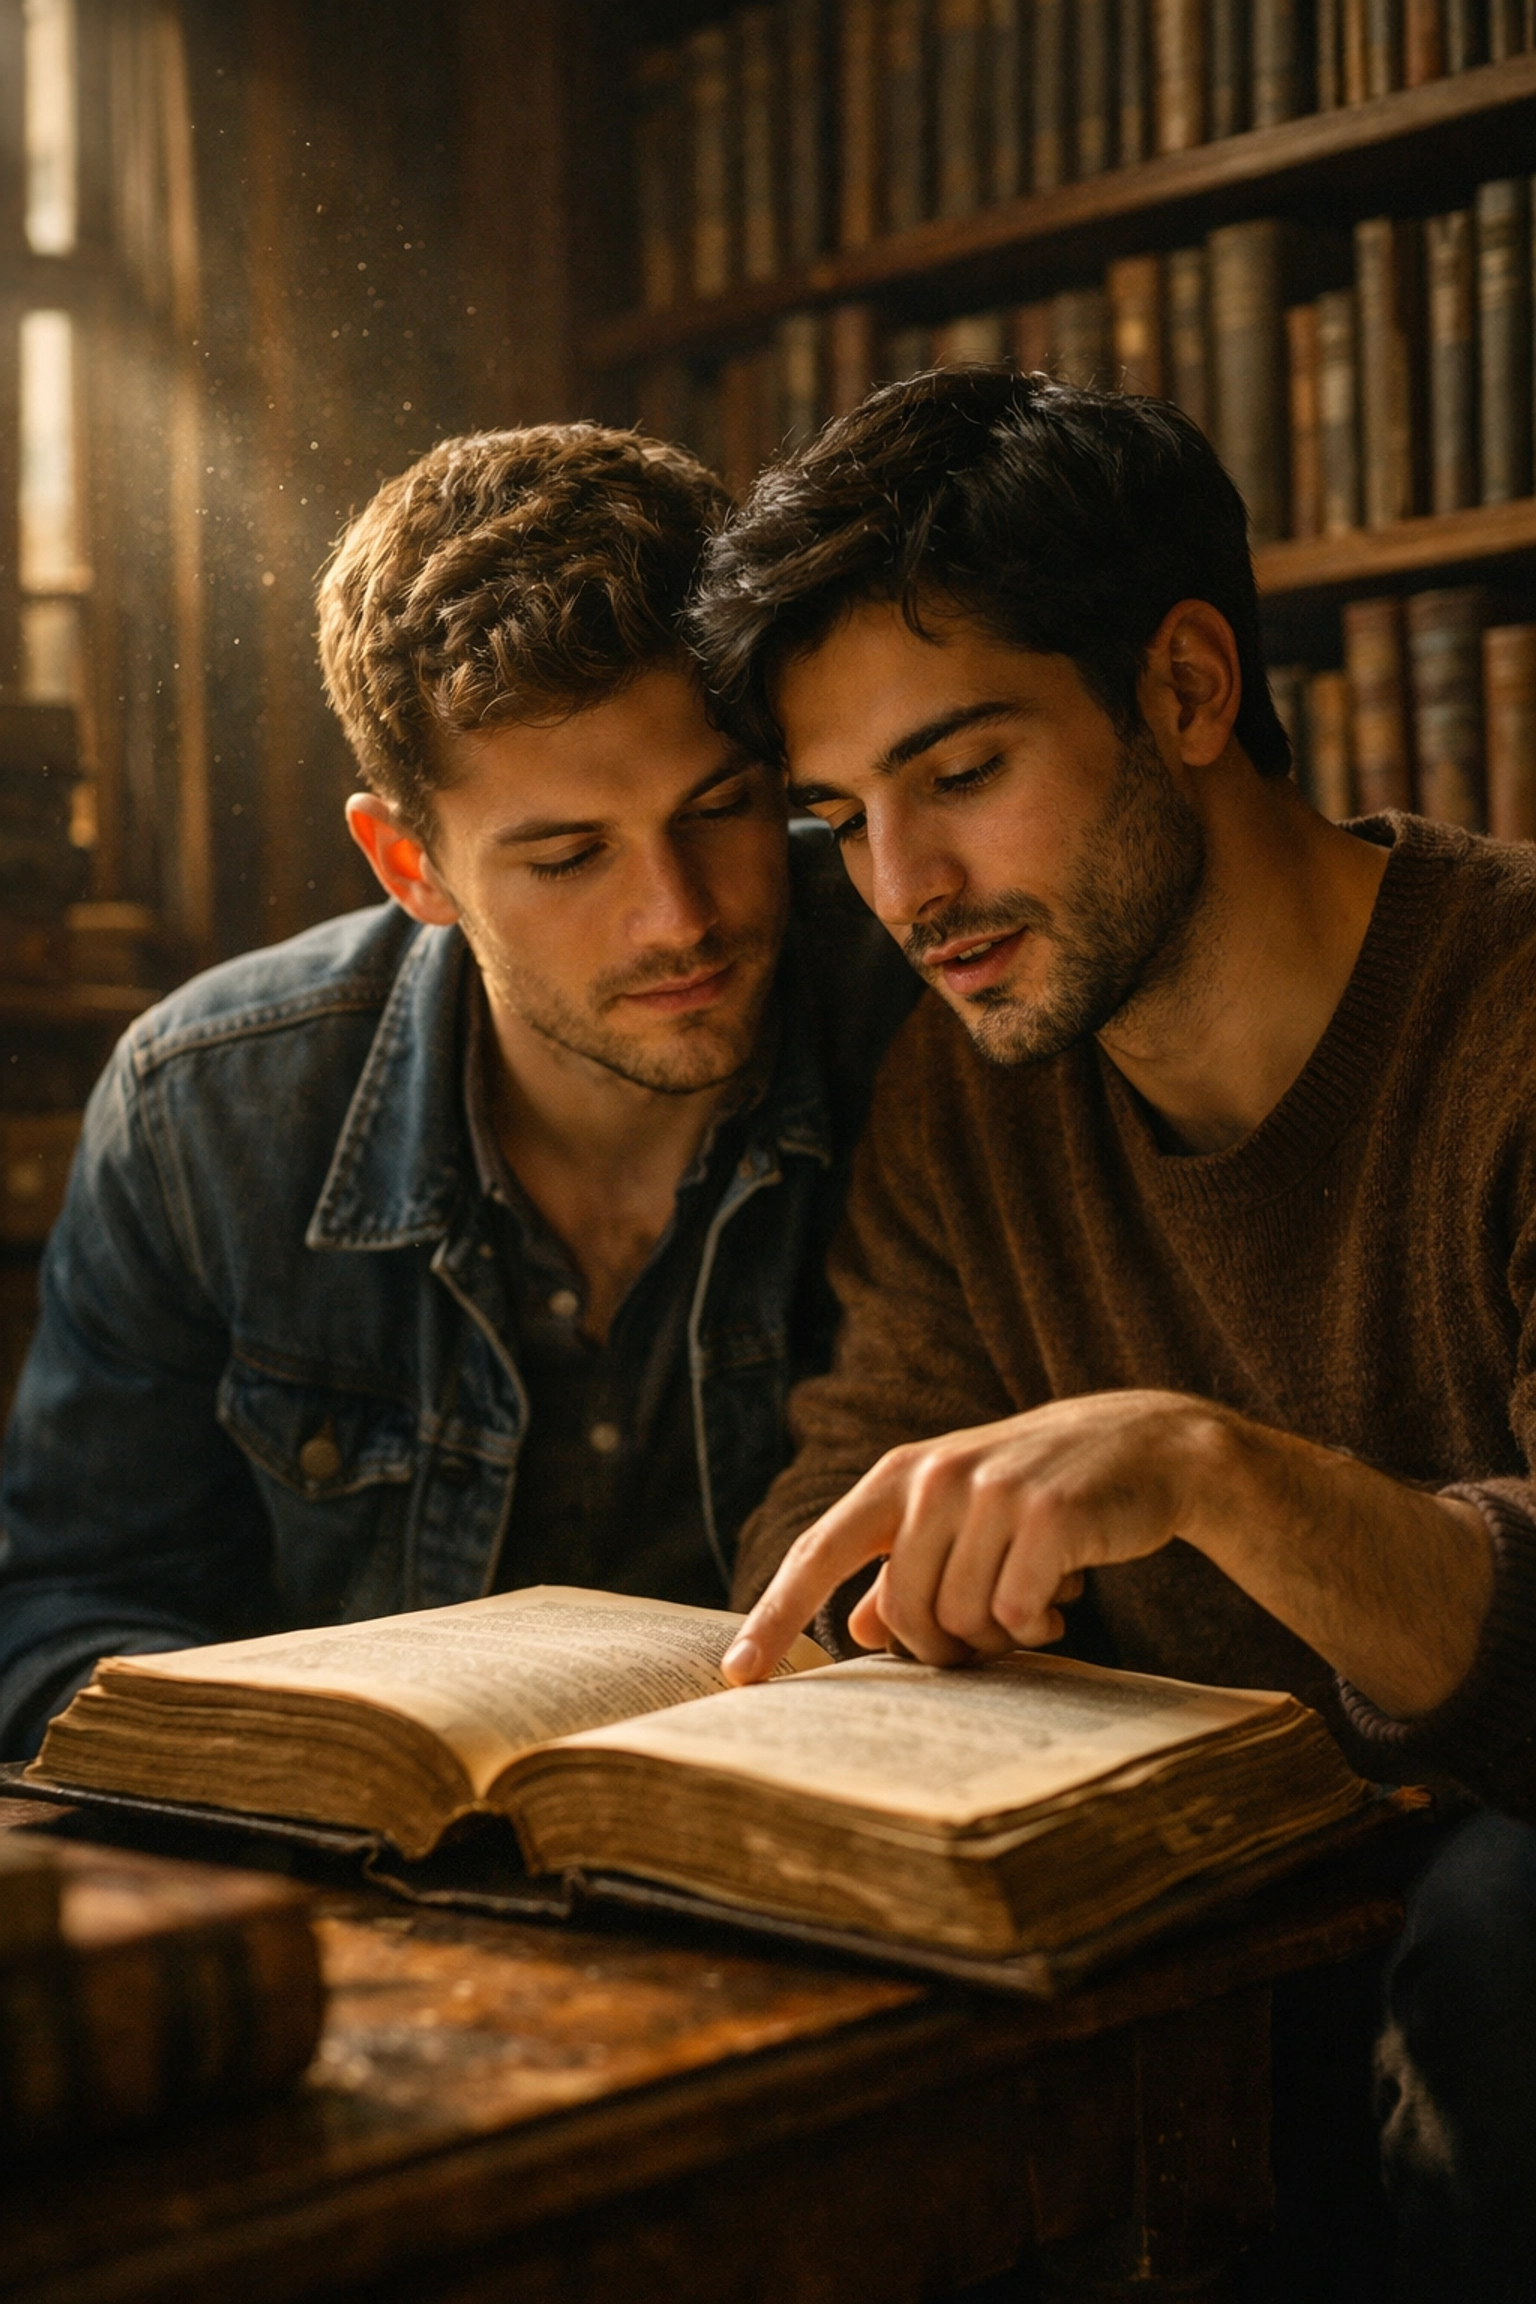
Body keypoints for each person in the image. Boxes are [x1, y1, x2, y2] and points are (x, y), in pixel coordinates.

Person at [688, 367, 1536, 2300]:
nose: (905, 892)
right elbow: (831, 1515)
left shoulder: (1511, 1013)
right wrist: (905, 1600)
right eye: (843, 819)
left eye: (961, 773)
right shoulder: (967, 1096)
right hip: (1222, 1978)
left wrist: (1209, 1471)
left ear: (1188, 688)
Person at [0, 423, 914, 1760]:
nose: (679, 918)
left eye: (722, 809)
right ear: (408, 865)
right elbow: (59, 1616)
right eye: (568, 858)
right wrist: (316, 1779)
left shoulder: (923, 999)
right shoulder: (203, 1112)